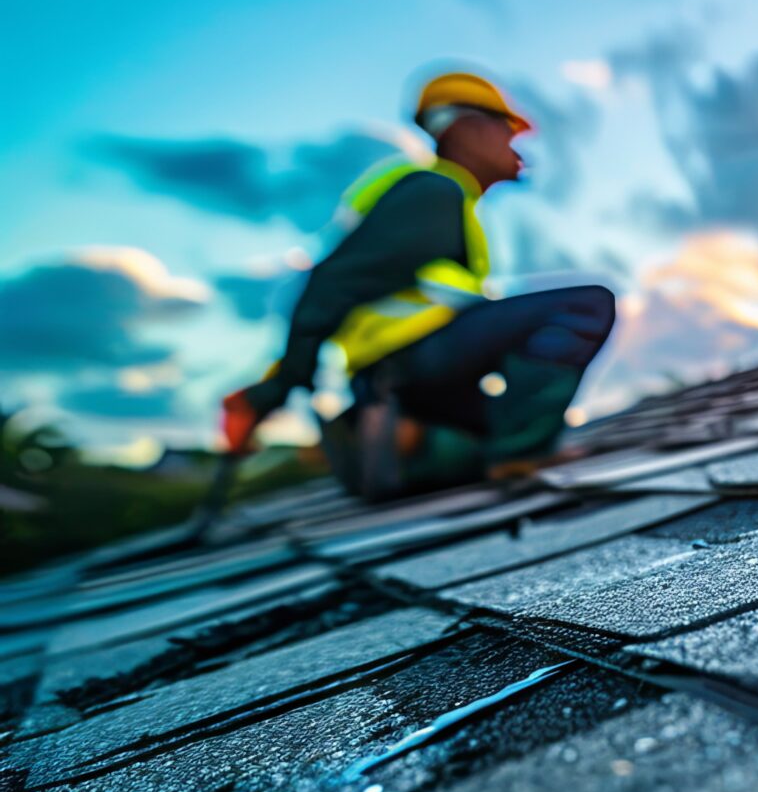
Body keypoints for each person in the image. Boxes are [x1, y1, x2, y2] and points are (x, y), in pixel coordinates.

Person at [221, 71, 614, 498]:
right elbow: (331, 285)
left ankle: (407, 441)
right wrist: (275, 388)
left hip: (408, 379)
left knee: (494, 431)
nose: (514, 147)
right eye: (505, 131)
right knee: (584, 307)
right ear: (466, 128)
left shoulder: (449, 199)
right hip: (406, 365)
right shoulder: (433, 192)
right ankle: (512, 453)